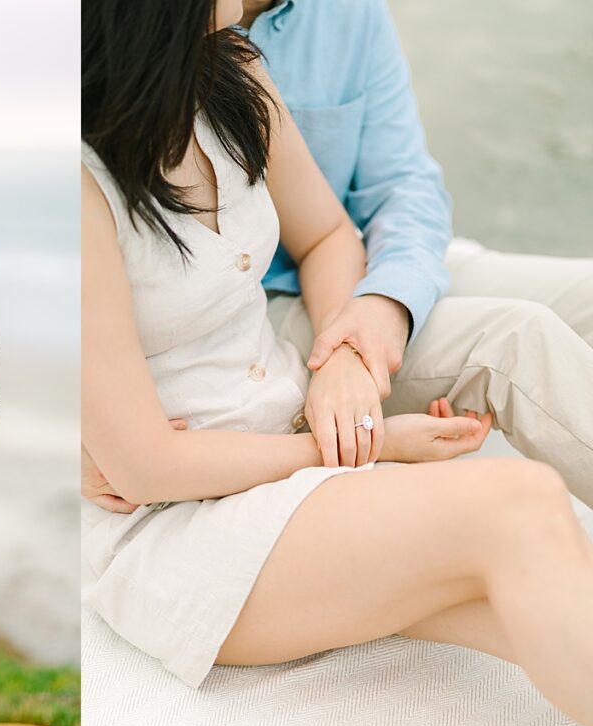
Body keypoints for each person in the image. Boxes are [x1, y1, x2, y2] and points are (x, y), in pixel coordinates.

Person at [81, 0, 593, 726]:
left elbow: (327, 233)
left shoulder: (233, 72)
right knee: (519, 504)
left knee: (539, 595)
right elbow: (147, 469)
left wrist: (340, 360)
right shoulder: (84, 180)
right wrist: (372, 443)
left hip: (276, 405)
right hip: (183, 530)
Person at [241, 0, 593, 496]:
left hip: (354, 266)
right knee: (517, 341)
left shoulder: (349, 12)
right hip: (259, 312)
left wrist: (388, 301)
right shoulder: (165, 41)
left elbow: (403, 187)